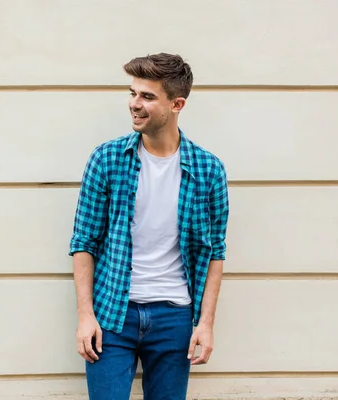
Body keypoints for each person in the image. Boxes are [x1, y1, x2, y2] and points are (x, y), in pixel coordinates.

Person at [68, 53, 229, 400]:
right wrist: (85, 315)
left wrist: (205, 323)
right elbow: (84, 241)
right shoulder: (107, 159)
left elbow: (215, 251)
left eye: (147, 96)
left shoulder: (208, 170)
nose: (134, 104)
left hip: (174, 316)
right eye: (132, 93)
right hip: (113, 313)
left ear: (177, 103)